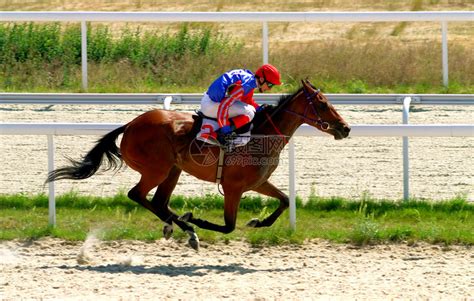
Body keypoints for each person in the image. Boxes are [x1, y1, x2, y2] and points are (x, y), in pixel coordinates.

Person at [197, 64, 282, 146]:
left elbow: (247, 101)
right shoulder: (245, 85)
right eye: (270, 85)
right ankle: (217, 134)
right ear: (262, 79)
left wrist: (259, 108)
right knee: (250, 112)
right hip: (211, 105)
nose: (270, 88)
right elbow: (224, 105)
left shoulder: (249, 80)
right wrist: (225, 128)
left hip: (212, 101)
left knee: (251, 109)